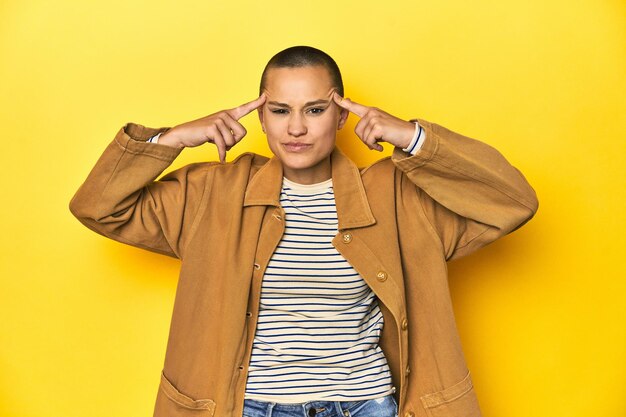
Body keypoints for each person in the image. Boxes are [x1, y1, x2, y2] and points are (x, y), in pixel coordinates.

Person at [69, 46, 538, 417]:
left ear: (340, 116)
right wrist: (170, 139)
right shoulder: (213, 192)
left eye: (315, 110)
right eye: (279, 110)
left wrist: (412, 137)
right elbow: (98, 207)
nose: (296, 128)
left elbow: (512, 203)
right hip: (249, 408)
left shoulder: (398, 195)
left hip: (366, 405)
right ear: (260, 117)